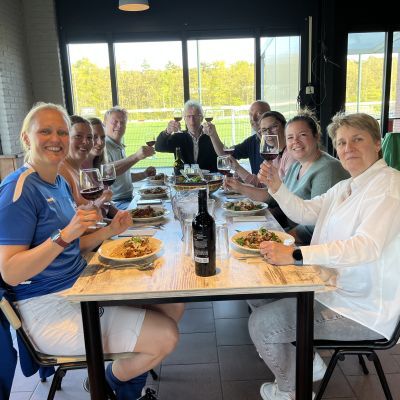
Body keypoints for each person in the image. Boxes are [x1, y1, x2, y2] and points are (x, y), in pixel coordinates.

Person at [0, 103, 183, 400]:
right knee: (165, 336)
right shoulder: (18, 189)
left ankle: (122, 385)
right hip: (49, 308)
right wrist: (63, 236)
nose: (56, 139)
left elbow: (74, 244)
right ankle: (106, 382)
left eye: (62, 132)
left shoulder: (57, 182)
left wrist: (110, 231)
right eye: (45, 131)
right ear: (25, 138)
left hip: (81, 289)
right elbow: (10, 271)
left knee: (173, 305)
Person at [248, 112, 400, 400]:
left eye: (357, 139)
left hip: (361, 309)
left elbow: (365, 246)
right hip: (328, 287)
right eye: (341, 142)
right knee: (258, 292)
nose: (348, 148)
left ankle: (291, 391)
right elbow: (305, 211)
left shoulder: (389, 186)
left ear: (377, 143)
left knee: (262, 326)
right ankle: (308, 364)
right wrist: (276, 187)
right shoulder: (347, 186)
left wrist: (296, 254)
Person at [230, 109, 349, 245]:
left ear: (316, 136)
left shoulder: (327, 169)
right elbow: (275, 199)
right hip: (291, 233)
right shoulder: (297, 165)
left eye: (302, 135)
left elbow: (316, 226)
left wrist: (280, 238)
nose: (295, 142)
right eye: (290, 137)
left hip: (311, 245)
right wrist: (241, 188)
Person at [58, 115, 114, 216]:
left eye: (89, 137)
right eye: (78, 136)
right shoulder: (60, 172)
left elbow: (95, 219)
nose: (85, 141)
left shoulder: (79, 170)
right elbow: (72, 219)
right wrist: (102, 199)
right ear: (65, 139)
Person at [224, 111, 294, 188]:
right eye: (264, 130)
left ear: (285, 127)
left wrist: (241, 187)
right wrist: (238, 170)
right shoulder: (274, 153)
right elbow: (260, 183)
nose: (268, 132)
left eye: (273, 127)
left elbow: (276, 191)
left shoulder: (291, 154)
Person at [105, 106, 156, 210]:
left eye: (123, 122)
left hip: (128, 199)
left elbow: (125, 178)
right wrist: (136, 156)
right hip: (115, 203)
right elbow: (108, 172)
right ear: (104, 123)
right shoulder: (103, 146)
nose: (119, 125)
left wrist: (145, 174)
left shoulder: (119, 146)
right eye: (115, 122)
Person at [205, 100, 271, 174]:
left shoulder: (276, 143)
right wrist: (213, 134)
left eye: (259, 114)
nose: (253, 118)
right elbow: (225, 155)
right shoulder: (252, 141)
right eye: (250, 114)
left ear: (270, 116)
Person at [155, 100, 219, 172]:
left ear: (201, 118)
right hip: (184, 178)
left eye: (195, 116)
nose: (192, 121)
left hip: (208, 177)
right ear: (184, 119)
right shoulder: (178, 137)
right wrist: (167, 132)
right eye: (188, 116)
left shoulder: (211, 136)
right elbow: (158, 147)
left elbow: (222, 156)